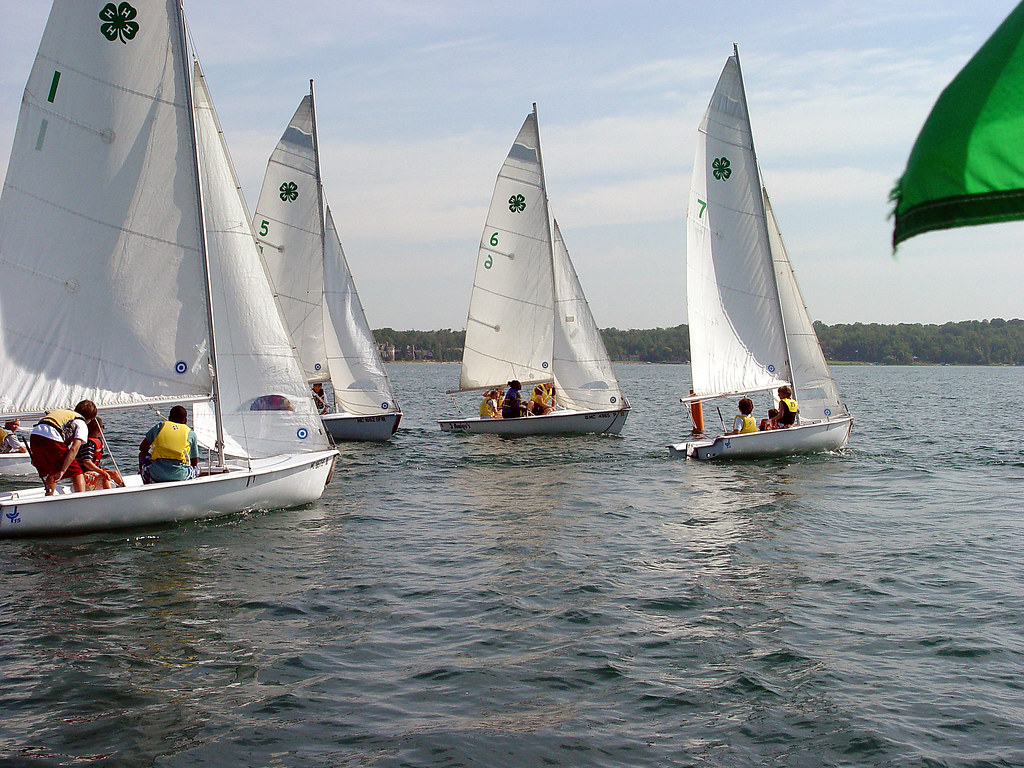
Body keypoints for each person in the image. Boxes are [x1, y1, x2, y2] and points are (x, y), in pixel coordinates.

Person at [29, 400, 96, 495]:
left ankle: (48, 496)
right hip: (52, 437)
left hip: (35, 435)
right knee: (76, 471)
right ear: (89, 419)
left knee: (53, 469)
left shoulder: (63, 413)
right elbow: (74, 448)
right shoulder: (81, 422)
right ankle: (80, 497)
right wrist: (62, 470)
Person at [139, 405, 199, 484]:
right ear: (185, 421)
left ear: (169, 418)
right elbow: (194, 461)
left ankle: (144, 479)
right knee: (196, 469)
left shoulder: (159, 427)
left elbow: (142, 448)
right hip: (180, 476)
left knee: (142, 454)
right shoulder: (190, 434)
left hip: (156, 475)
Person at [79, 417, 125, 491]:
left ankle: (123, 489)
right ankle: (109, 495)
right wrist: (101, 472)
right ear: (98, 429)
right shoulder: (89, 443)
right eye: (102, 427)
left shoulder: (97, 441)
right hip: (83, 474)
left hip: (92, 472)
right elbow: (86, 462)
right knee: (105, 476)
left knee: (115, 473)